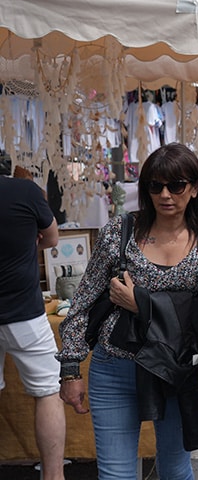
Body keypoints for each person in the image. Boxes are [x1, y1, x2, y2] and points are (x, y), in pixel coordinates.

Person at [58, 143, 198, 480]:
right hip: (115, 365)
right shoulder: (121, 232)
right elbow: (83, 301)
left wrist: (141, 303)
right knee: (116, 474)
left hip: (172, 369)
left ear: (193, 189)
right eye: (155, 185)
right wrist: (71, 369)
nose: (165, 194)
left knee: (175, 469)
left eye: (176, 185)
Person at [0, 172, 64, 480]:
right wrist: (27, 239)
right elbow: (51, 238)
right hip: (24, 312)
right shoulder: (24, 191)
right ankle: (53, 476)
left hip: (21, 311)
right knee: (48, 391)